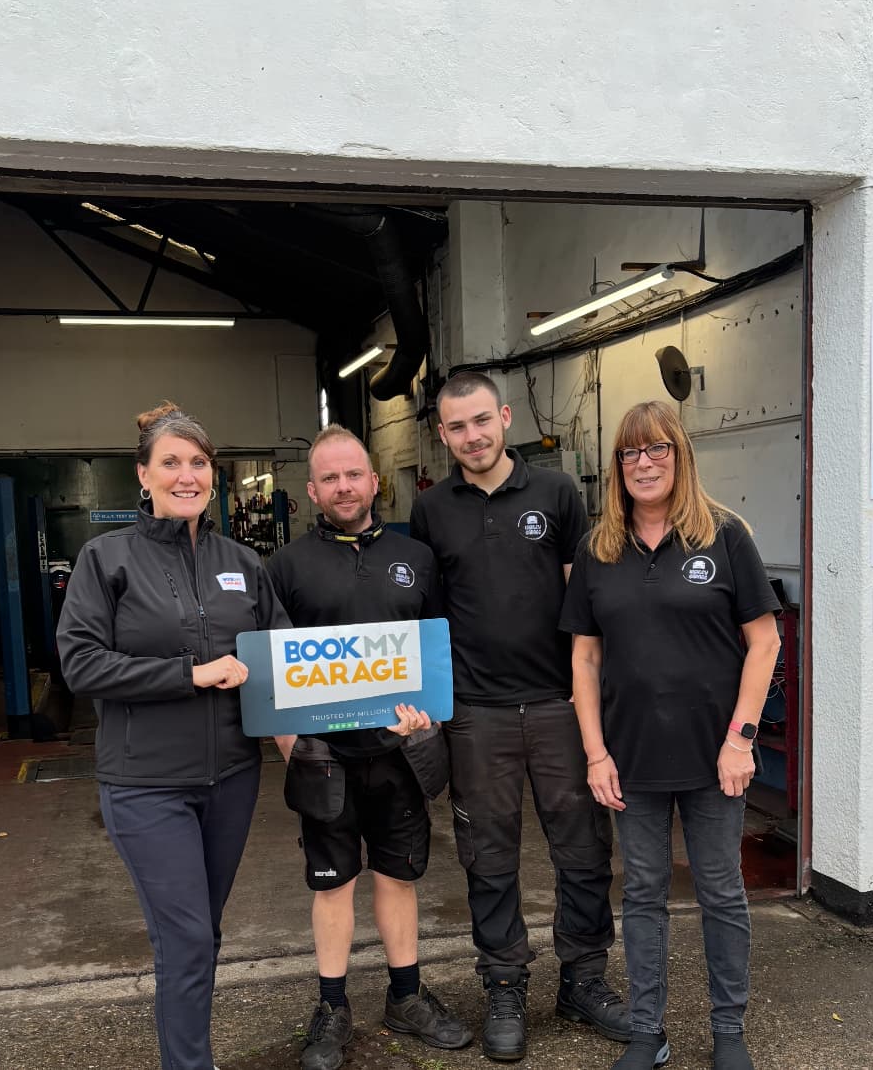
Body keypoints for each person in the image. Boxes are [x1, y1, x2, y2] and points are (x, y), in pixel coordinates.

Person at [57, 401, 290, 1070]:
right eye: (171, 462)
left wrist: (376, 705)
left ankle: (191, 1055)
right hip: (145, 785)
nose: (186, 475)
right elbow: (80, 664)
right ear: (144, 474)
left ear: (213, 475)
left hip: (231, 781)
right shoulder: (106, 559)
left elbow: (283, 666)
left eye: (198, 462)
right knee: (186, 936)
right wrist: (189, 673)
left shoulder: (243, 562)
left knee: (201, 935)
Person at [409, 371, 629, 1063]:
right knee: (487, 855)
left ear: (503, 417)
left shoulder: (557, 492)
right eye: (456, 426)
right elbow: (427, 616)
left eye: (481, 420)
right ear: (441, 435)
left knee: (585, 848)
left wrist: (595, 693)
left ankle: (583, 979)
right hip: (476, 713)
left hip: (560, 706)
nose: (471, 436)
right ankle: (503, 981)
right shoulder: (430, 510)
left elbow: (584, 594)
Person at [560, 400, 781, 1070]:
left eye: (656, 449)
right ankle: (646, 1032)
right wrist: (595, 752)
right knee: (644, 896)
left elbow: (764, 641)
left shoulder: (724, 536)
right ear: (616, 467)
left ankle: (727, 1032)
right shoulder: (597, 549)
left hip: (717, 760)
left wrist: (740, 738)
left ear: (679, 455)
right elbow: (584, 658)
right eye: (629, 453)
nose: (643, 462)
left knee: (720, 892)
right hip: (631, 759)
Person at [269, 424, 473, 1070]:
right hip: (323, 759)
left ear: (373, 479)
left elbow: (434, 656)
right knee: (332, 885)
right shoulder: (283, 567)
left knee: (397, 876)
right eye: (329, 477)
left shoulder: (415, 557)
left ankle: (405, 995)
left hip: (398, 756)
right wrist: (290, 747)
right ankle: (331, 1005)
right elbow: (272, 672)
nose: (343, 486)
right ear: (310, 491)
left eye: (353, 473)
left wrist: (428, 718)